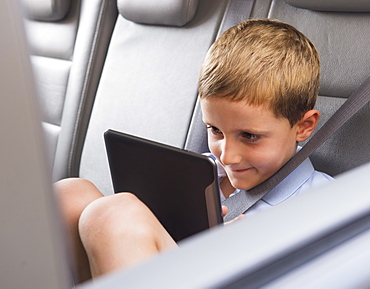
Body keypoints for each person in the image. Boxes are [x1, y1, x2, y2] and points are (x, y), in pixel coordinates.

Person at [55, 19, 333, 283]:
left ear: (304, 126)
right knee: (69, 195)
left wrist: (223, 254)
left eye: (249, 136)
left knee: (114, 215)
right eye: (215, 130)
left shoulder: (327, 202)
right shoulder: (196, 172)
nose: (227, 155)